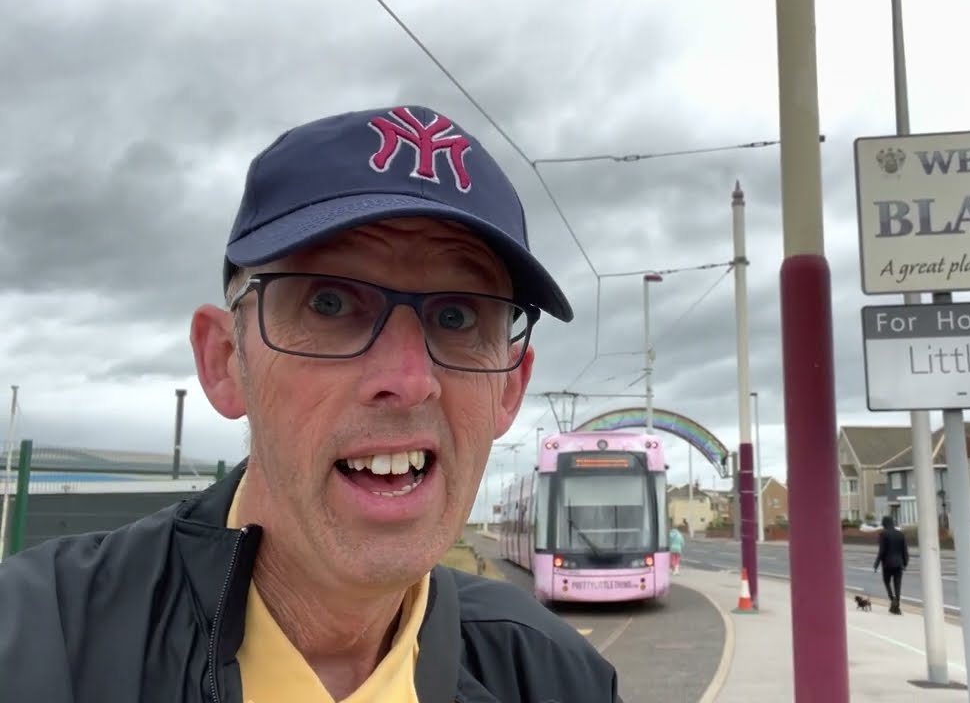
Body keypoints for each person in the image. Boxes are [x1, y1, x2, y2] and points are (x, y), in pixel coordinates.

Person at [0, 105, 622, 702]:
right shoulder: (35, 645)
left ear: (509, 388)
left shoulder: (556, 677)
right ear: (224, 362)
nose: (408, 380)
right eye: (329, 304)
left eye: (457, 316)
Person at [873, 514, 909, 615]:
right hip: (899, 564)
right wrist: (905, 563)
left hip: (887, 564)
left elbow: (882, 551)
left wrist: (876, 564)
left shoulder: (883, 534)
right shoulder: (900, 534)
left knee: (887, 582)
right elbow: (904, 551)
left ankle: (892, 599)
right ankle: (897, 604)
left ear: (885, 523)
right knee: (898, 585)